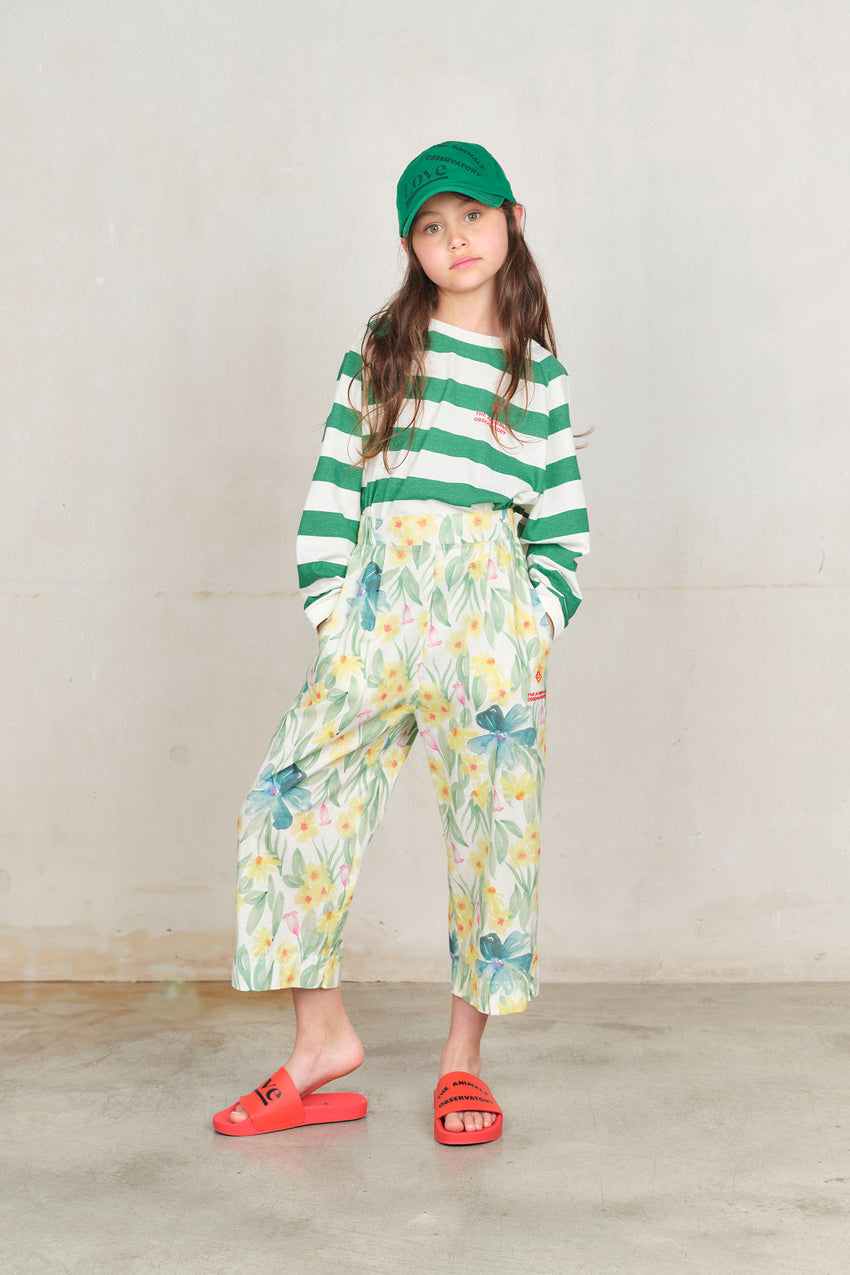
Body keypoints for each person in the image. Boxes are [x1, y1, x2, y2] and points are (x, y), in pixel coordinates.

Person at [212, 140, 590, 1145]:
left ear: (511, 220)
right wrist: (335, 617)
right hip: (376, 617)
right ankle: (320, 1042)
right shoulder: (378, 352)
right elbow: (333, 491)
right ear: (409, 245)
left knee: (493, 839)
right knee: (289, 804)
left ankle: (462, 1063)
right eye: (431, 225)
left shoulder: (538, 378)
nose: (454, 238)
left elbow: (561, 532)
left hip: (489, 627)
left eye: (471, 216)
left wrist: (530, 631)